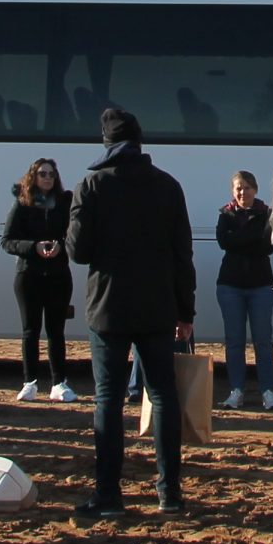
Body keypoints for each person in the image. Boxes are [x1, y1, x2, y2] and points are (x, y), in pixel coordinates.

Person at [65, 107, 196, 518]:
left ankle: (108, 496)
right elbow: (182, 254)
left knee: (108, 398)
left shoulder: (92, 186)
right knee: (163, 395)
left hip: (109, 306)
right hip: (158, 305)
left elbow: (78, 251)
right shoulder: (168, 186)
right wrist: (185, 309)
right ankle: (169, 493)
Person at [0, 158, 79, 402]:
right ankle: (29, 382)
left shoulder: (64, 204)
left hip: (57, 275)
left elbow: (73, 237)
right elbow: (7, 241)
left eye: (51, 174)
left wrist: (59, 248)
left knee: (56, 331)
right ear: (33, 176)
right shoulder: (23, 204)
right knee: (30, 330)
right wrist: (34, 247)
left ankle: (59, 383)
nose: (47, 178)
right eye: (42, 173)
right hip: (29, 275)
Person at [212, 170, 273, 410]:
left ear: (255, 189)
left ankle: (268, 390)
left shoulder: (267, 213)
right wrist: (250, 238)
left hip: (260, 284)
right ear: (233, 191)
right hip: (230, 285)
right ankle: (236, 390)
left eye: (247, 187)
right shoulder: (226, 214)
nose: (243, 192)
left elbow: (268, 245)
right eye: (239, 188)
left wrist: (239, 238)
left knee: (263, 341)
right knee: (234, 341)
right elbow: (224, 242)